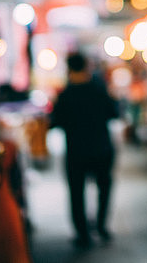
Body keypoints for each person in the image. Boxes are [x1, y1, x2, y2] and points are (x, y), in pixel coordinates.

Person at [51, 52, 119, 248]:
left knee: (76, 192)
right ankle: (101, 226)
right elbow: (113, 113)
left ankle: (82, 233)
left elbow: (56, 123)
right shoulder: (99, 89)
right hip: (102, 149)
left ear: (69, 69)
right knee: (104, 188)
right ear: (86, 67)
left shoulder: (65, 95)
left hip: (76, 152)